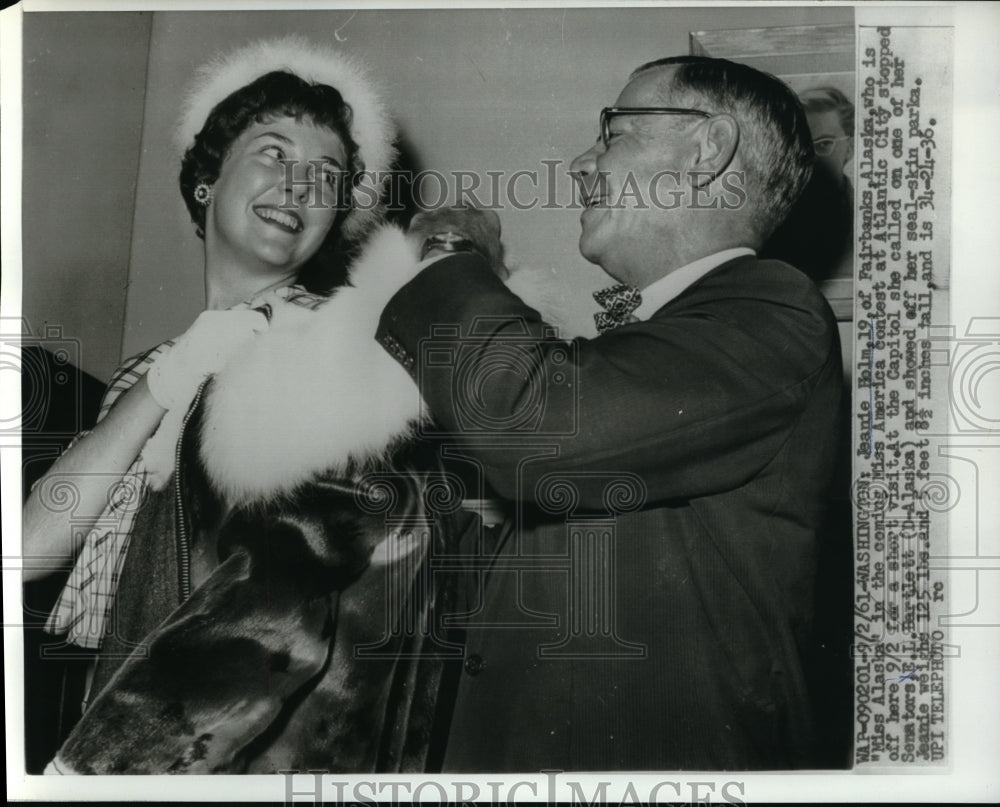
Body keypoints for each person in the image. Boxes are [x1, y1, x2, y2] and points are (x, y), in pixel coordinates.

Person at [375, 55, 845, 770]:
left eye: (614, 132)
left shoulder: (773, 309)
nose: (579, 162)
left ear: (708, 148)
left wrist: (451, 252)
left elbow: (526, 418)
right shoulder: (660, 344)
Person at [27, 37, 464, 774]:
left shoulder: (335, 354)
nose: (298, 184)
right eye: (273, 152)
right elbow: (30, 546)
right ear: (206, 181)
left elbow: (277, 620)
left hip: (213, 740)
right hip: (106, 701)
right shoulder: (151, 371)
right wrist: (165, 382)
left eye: (326, 175)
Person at [761, 85, 855, 282]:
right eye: (800, 144)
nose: (809, 157)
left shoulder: (869, 220)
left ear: (850, 148)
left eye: (823, 144)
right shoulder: (765, 220)